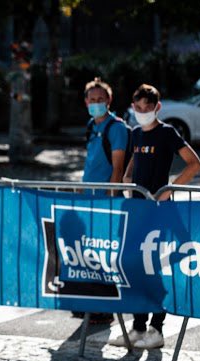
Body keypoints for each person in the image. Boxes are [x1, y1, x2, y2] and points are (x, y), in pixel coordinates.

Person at [109, 84, 200, 350]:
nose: (141, 113)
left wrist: (169, 188)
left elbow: (194, 163)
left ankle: (156, 328)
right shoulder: (136, 133)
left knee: (155, 269)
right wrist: (128, 179)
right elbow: (132, 163)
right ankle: (138, 327)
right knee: (135, 267)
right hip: (137, 210)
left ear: (157, 107)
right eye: (137, 108)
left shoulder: (167, 132)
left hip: (160, 212)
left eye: (147, 108)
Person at [78, 77, 130, 325]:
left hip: (106, 201)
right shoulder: (91, 125)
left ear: (109, 101)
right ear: (86, 102)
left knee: (105, 252)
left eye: (101, 99)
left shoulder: (116, 127)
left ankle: (106, 306)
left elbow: (117, 168)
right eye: (92, 99)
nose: (96, 103)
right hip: (89, 198)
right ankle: (93, 303)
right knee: (90, 252)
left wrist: (110, 200)